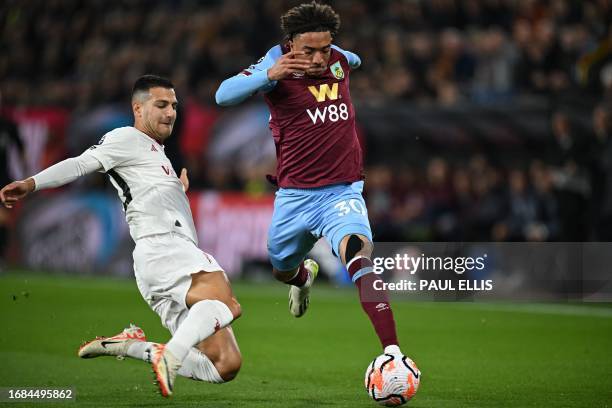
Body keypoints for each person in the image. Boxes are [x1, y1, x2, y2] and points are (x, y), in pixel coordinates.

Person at [0, 75, 242, 398]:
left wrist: (177, 192)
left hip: (163, 259)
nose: (170, 112)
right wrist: (31, 184)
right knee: (224, 300)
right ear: (137, 108)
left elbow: (148, 191)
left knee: (225, 364)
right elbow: (80, 164)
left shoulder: (158, 154)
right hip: (164, 248)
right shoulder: (125, 138)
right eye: (161, 105)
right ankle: (171, 355)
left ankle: (134, 347)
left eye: (173, 106)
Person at [215, 2, 401, 356]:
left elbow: (353, 58)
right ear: (290, 44)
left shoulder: (339, 59)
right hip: (294, 197)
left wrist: (345, 56)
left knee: (359, 256)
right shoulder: (275, 64)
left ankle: (392, 353)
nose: (318, 59)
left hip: (342, 191)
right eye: (309, 51)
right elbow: (222, 95)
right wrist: (269, 75)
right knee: (281, 268)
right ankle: (303, 278)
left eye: (324, 49)